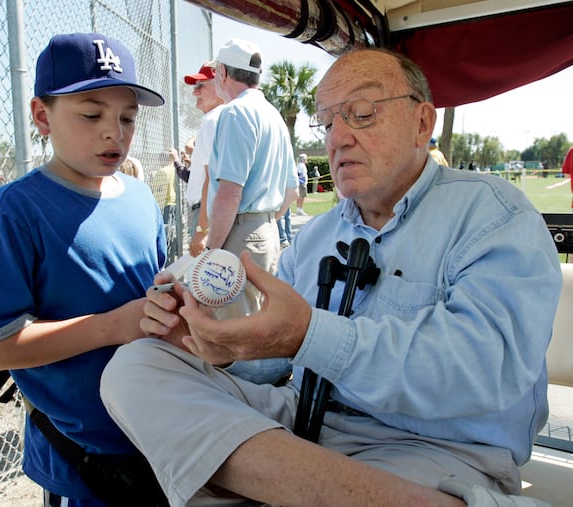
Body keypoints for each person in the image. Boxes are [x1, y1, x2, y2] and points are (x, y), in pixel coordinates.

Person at [100, 48, 562, 507]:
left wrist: (309, 334)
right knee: (136, 367)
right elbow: (278, 364)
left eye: (361, 114)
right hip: (304, 423)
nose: (337, 137)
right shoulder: (316, 235)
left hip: (437, 451)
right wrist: (215, 346)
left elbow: (487, 371)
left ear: (423, 123)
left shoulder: (493, 215)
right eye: (327, 122)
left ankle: (261, 486)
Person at [0, 32, 166, 507]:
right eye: (91, 114)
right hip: (85, 456)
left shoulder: (140, 197)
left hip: (158, 430)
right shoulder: (15, 211)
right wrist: (113, 326)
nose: (114, 131)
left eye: (127, 117)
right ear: (42, 116)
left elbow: (147, 298)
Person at [205, 39, 298, 310]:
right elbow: (292, 190)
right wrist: (262, 221)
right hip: (267, 232)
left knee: (231, 334)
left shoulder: (235, 112)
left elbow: (230, 192)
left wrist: (212, 250)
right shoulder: (273, 114)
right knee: (257, 328)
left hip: (239, 233)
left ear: (223, 72)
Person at [177, 61, 225, 257]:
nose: (195, 92)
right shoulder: (224, 117)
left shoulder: (213, 120)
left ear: (220, 86)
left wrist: (202, 229)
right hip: (210, 211)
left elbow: (210, 178)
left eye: (201, 86)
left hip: (205, 213)